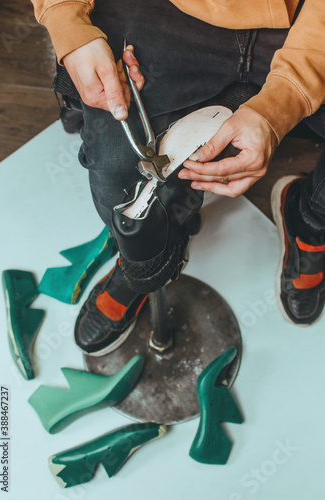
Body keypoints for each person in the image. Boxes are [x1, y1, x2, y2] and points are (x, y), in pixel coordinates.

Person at [31, 0, 325, 352]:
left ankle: (309, 218)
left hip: (310, 19)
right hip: (172, 11)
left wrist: (285, 97)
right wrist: (68, 22)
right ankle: (141, 264)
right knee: (116, 170)